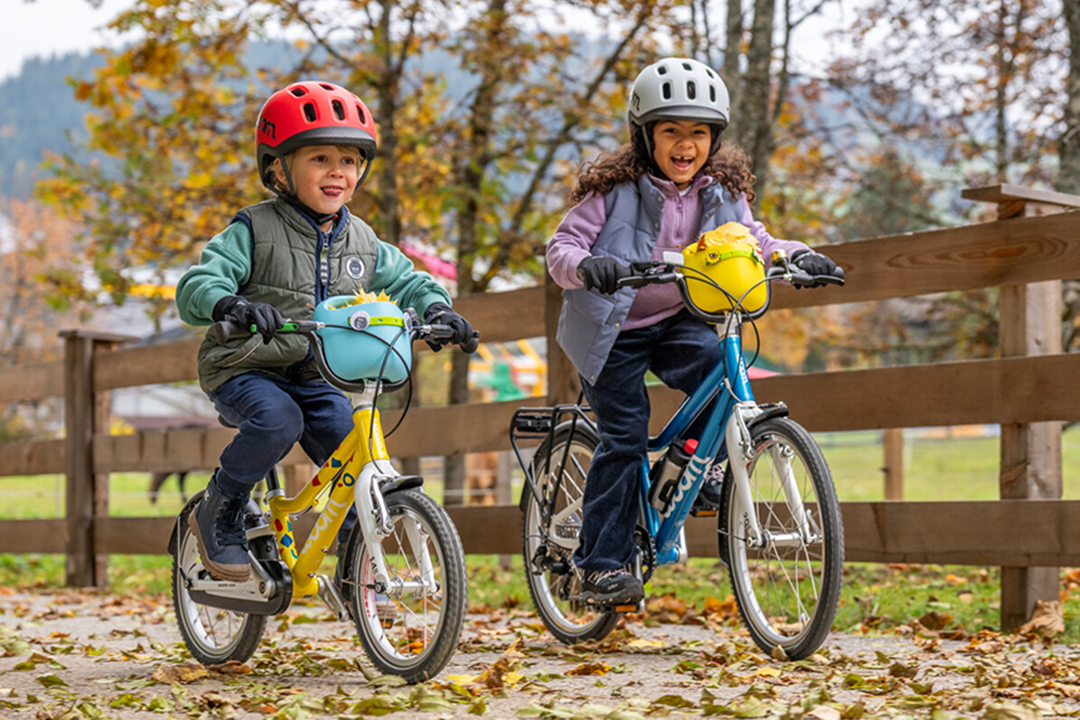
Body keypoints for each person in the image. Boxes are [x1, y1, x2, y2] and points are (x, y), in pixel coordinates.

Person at [546, 58, 840, 607]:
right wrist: (588, 266)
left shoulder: (722, 194)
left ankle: (691, 463)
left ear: (714, 139)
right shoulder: (613, 191)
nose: (686, 145)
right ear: (645, 136)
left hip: (679, 320)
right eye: (672, 131)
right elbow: (561, 249)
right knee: (626, 435)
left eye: (698, 133)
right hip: (611, 330)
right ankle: (600, 565)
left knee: (724, 376)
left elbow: (756, 240)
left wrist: (801, 257)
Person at [176, 81, 475, 584]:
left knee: (355, 447)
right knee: (278, 420)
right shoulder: (253, 228)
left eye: (350, 160)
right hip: (246, 366)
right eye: (319, 158)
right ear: (279, 167)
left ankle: (358, 562)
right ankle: (220, 508)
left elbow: (409, 280)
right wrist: (230, 303)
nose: (338, 171)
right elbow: (198, 283)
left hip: (320, 373)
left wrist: (437, 308)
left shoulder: (363, 240)